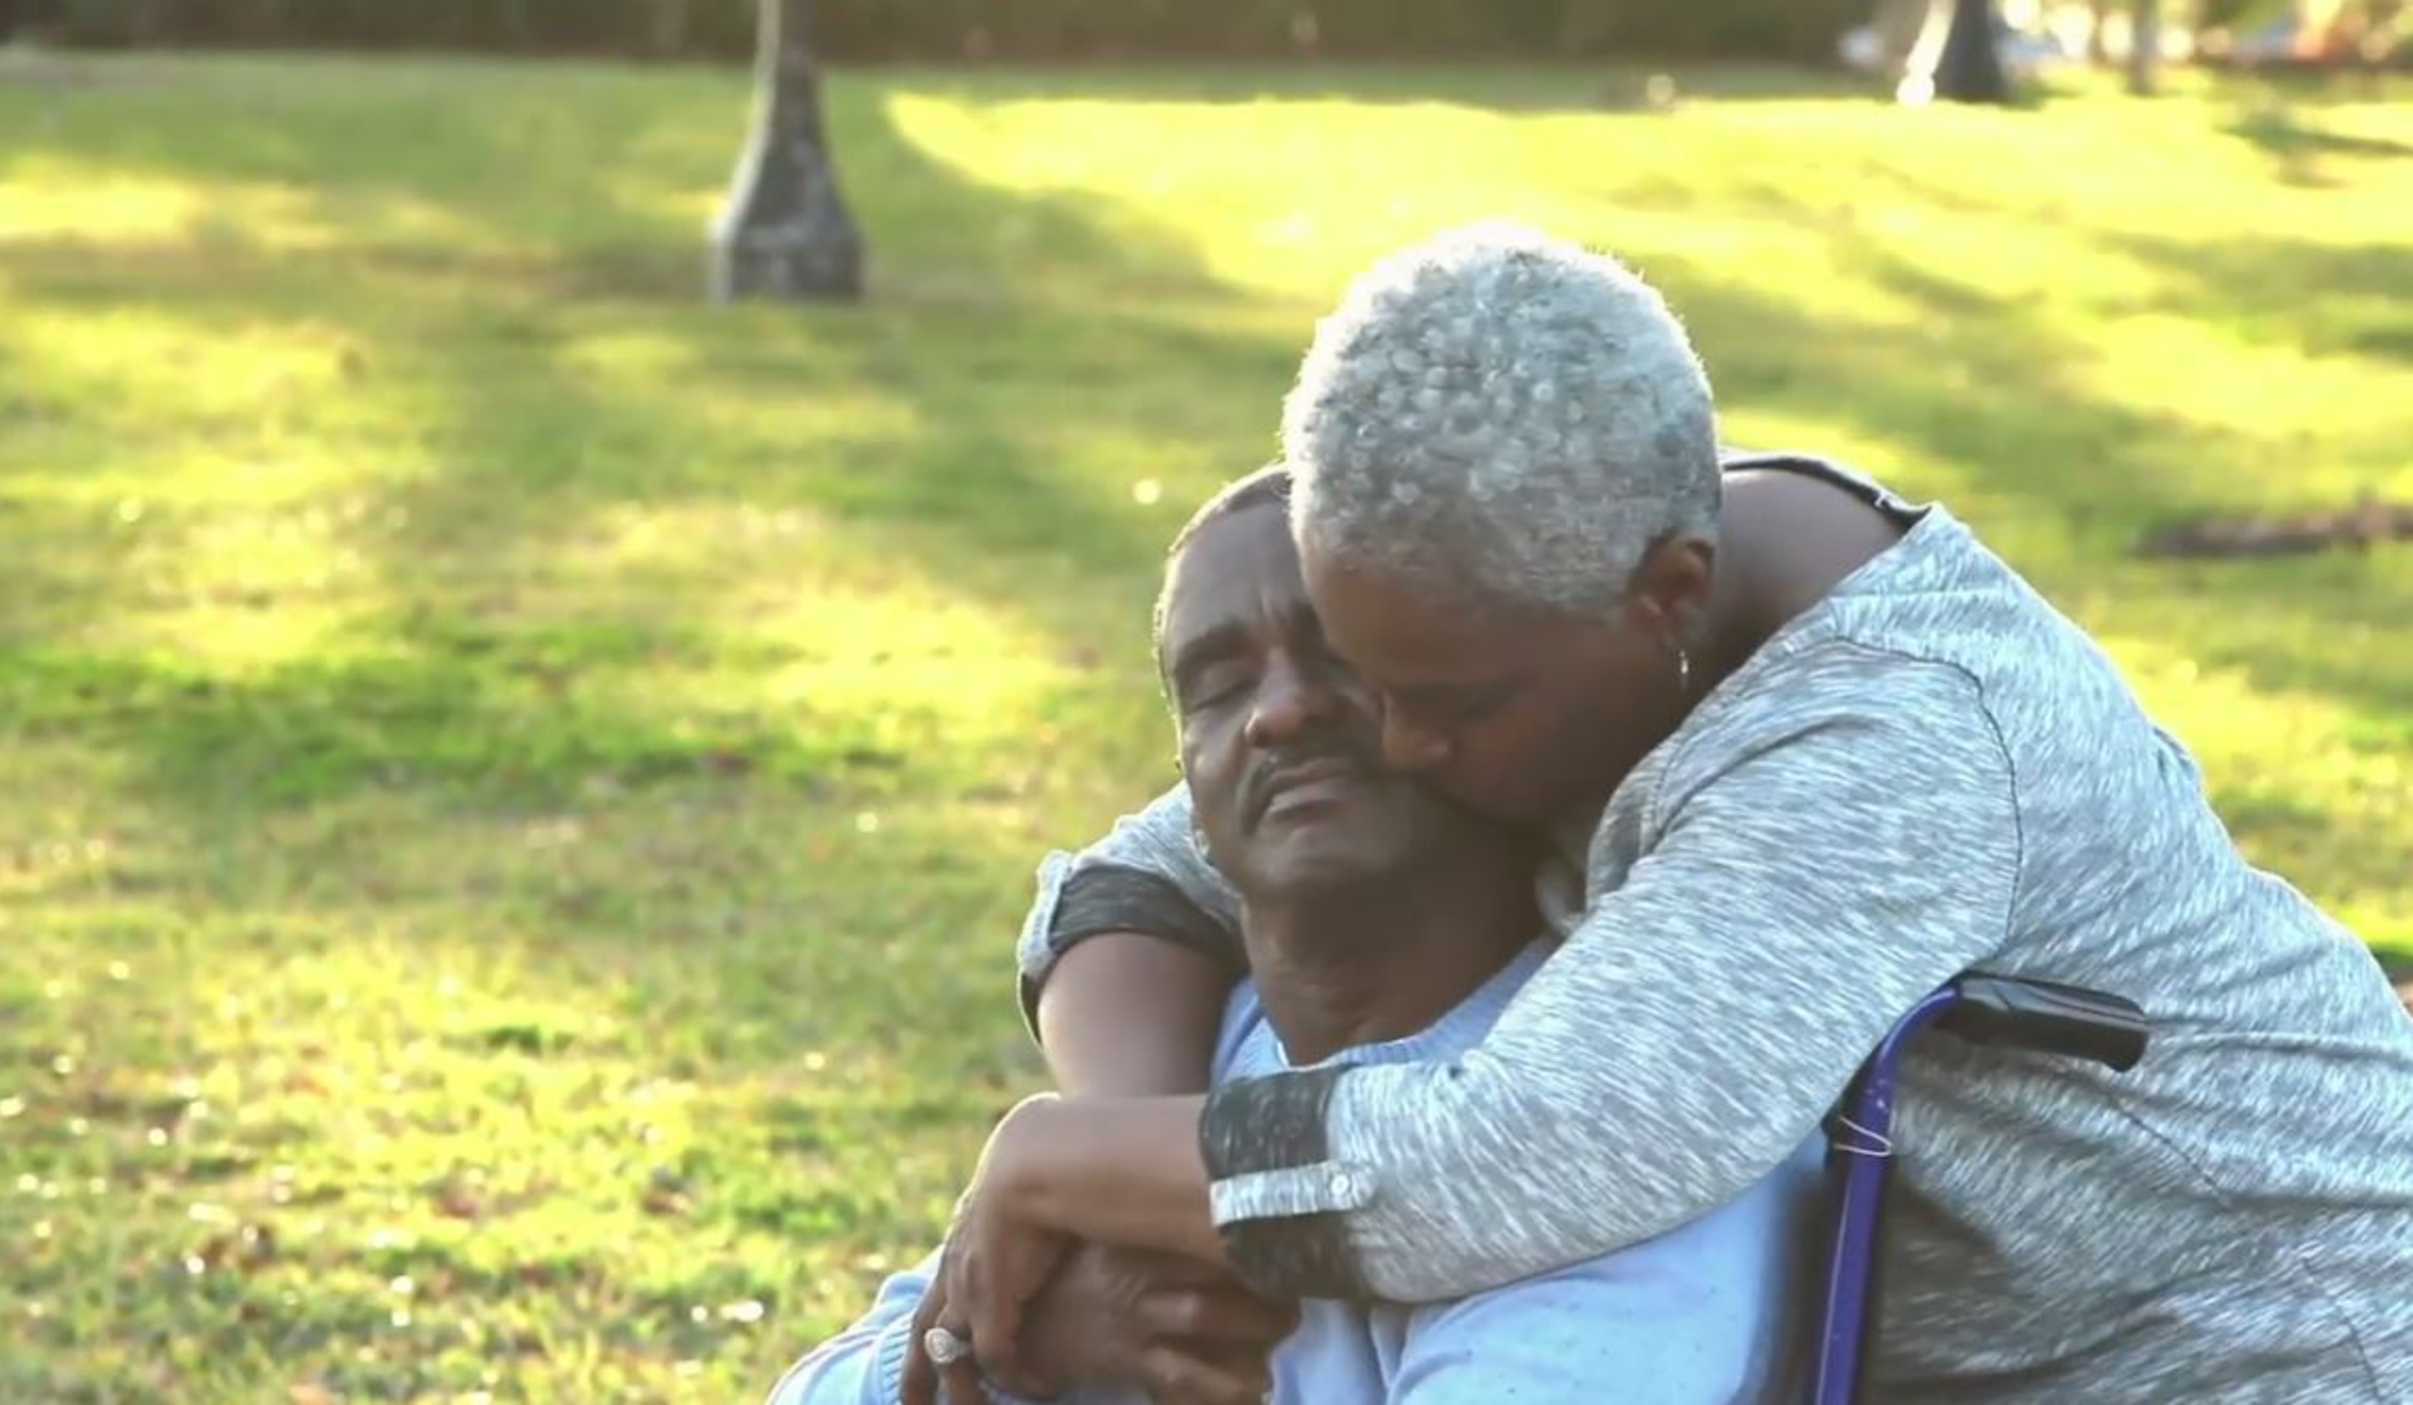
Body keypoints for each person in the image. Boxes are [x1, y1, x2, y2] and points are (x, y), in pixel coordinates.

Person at [906, 224, 2413, 1403]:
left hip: (2265, 1352)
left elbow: (1496, 1162)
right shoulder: (1535, 611)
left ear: (1668, 594)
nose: (1402, 747)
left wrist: (1053, 1163)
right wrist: (1122, 1168)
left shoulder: (1883, 744)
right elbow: (1137, 880)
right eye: (1372, 681)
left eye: (1453, 705)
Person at [777, 467, 1822, 1404]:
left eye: (1339, 654)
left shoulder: (1617, 1113)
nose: (1275, 714)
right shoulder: (1188, 1065)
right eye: (1217, 685)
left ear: (1484, 704)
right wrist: (1021, 1346)